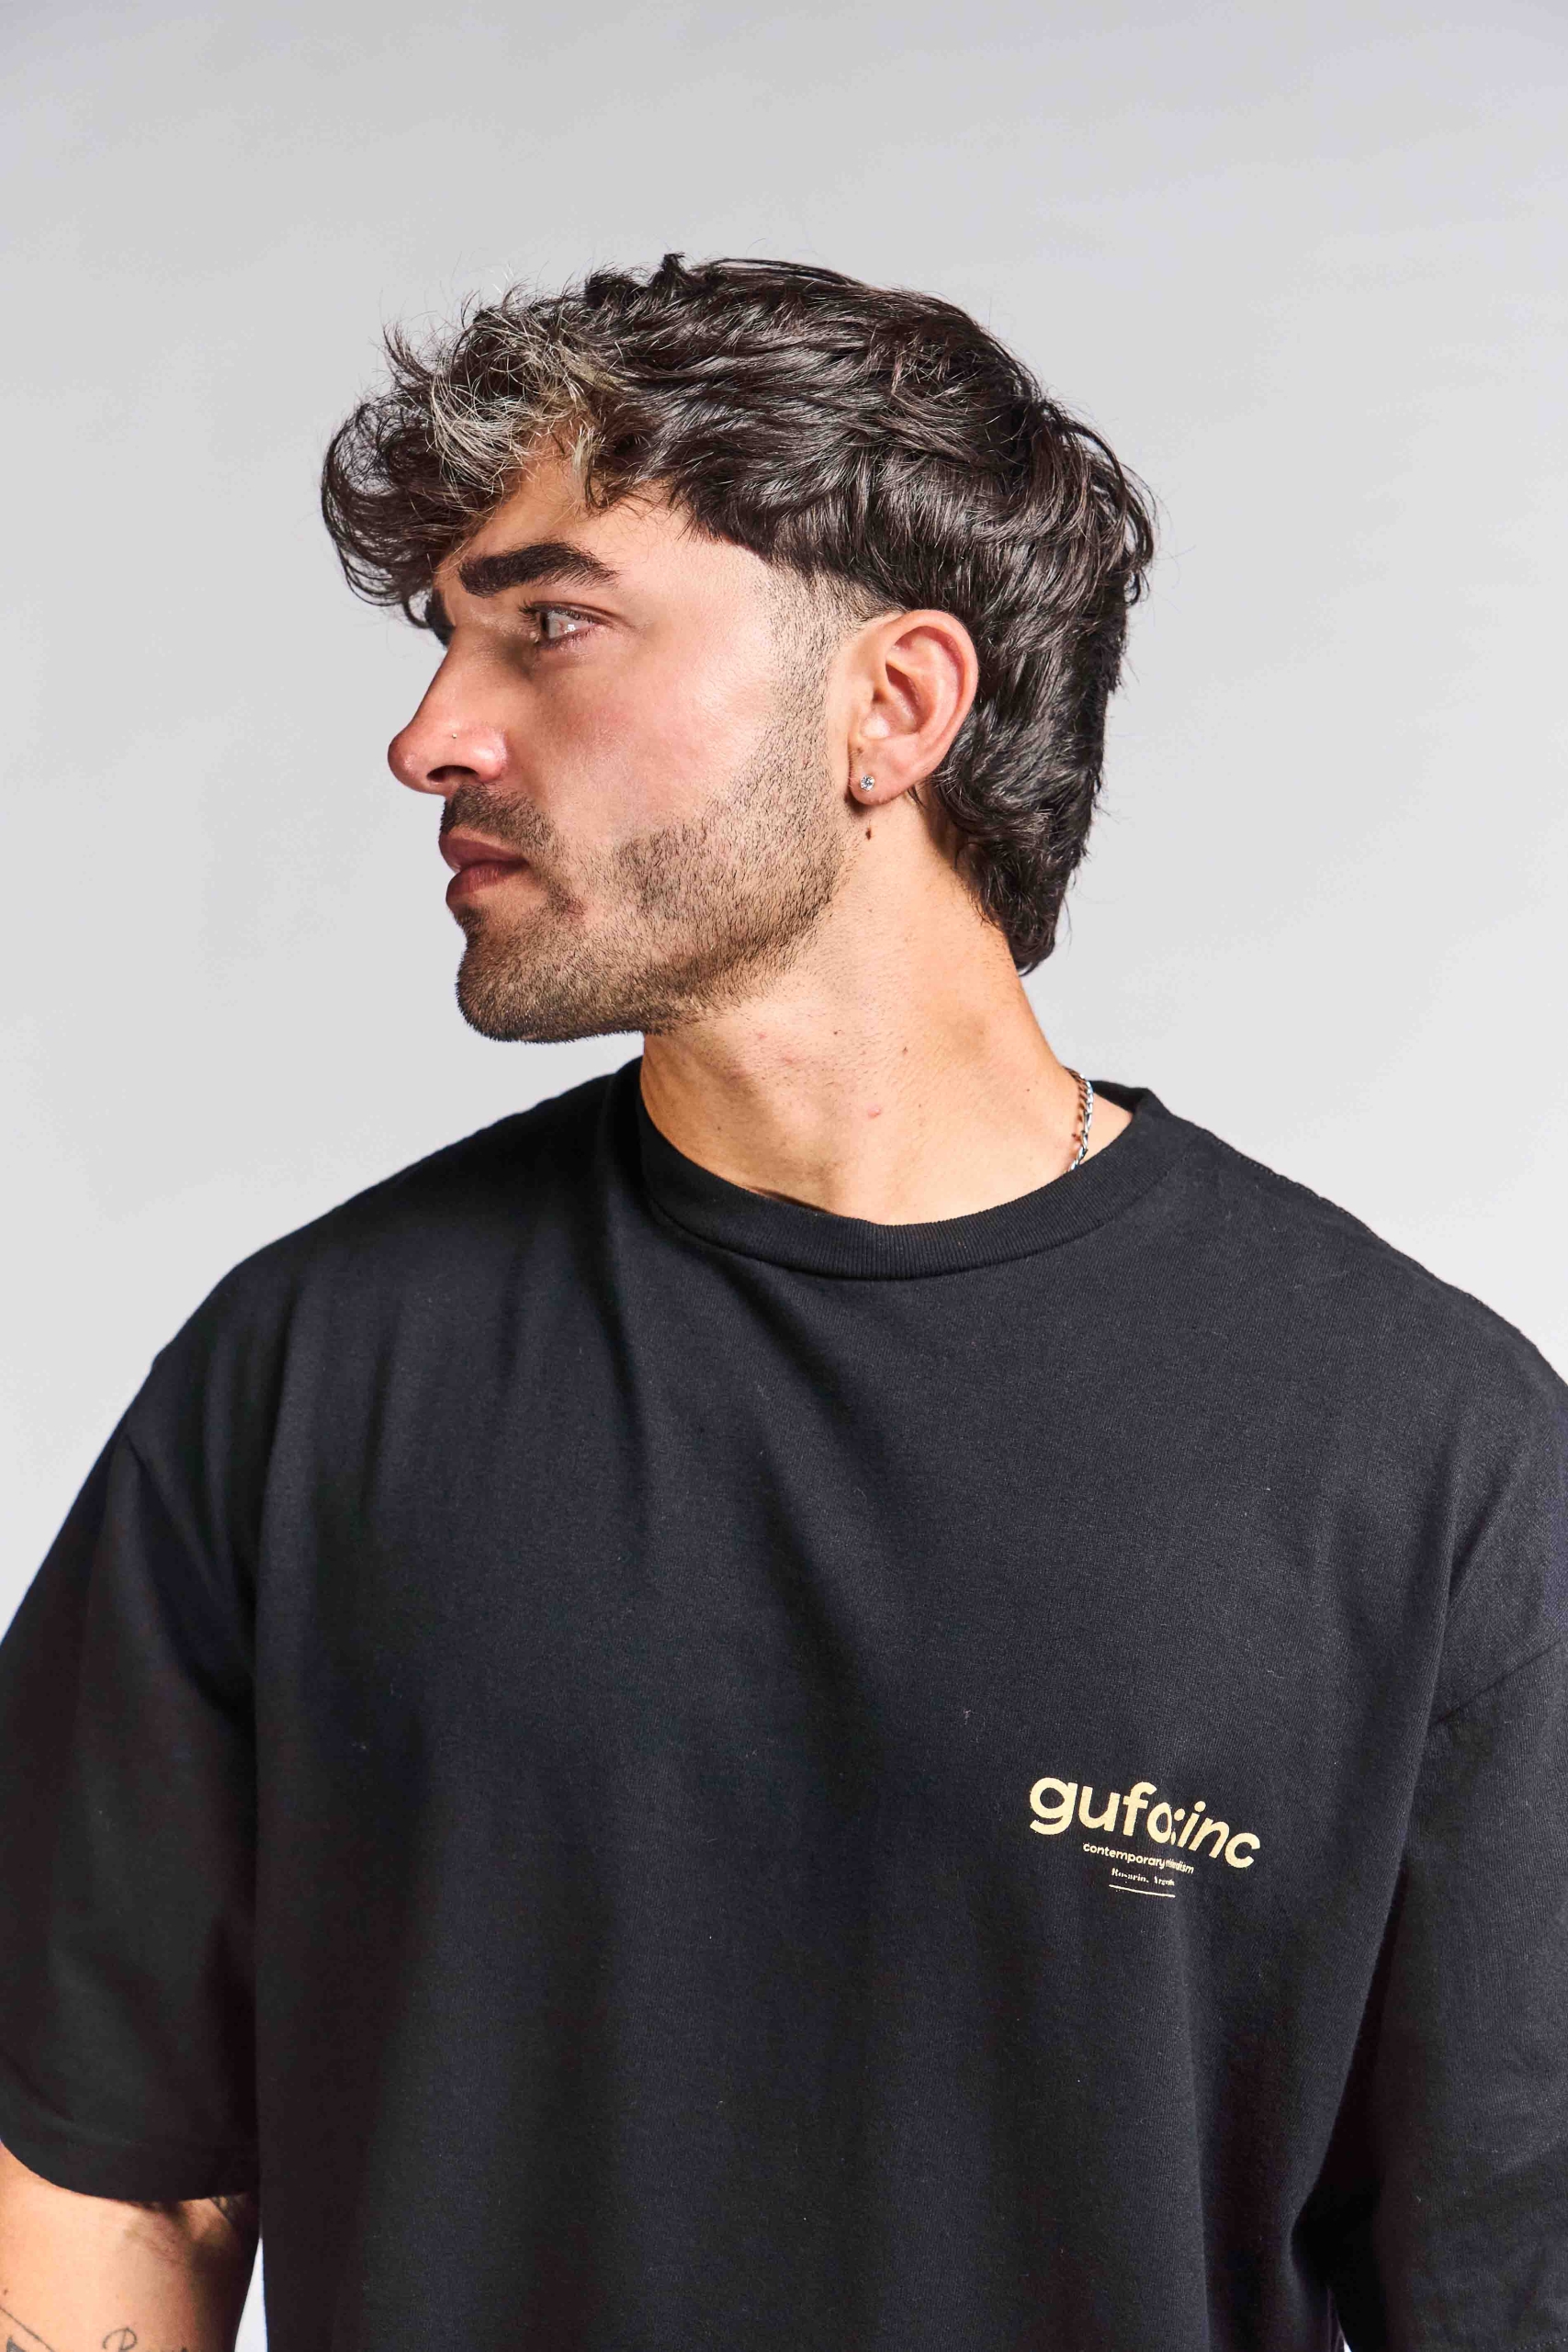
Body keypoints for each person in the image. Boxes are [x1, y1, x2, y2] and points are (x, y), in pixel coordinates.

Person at [0, 254, 1562, 2352]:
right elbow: (111, 2171)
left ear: (892, 706)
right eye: (446, 638)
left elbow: (1504, 2277)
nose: (431, 734)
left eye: (549, 624)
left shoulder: (1418, 1449)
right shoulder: (303, 1382)